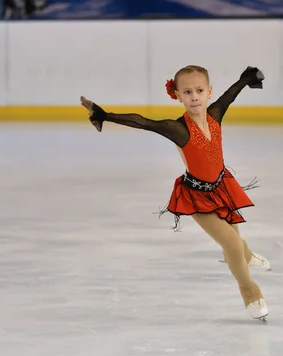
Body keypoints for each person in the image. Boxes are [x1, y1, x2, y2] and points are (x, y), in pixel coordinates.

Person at [79, 65, 271, 323]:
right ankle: (249, 291)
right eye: (188, 91)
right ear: (178, 95)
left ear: (208, 92)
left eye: (200, 90)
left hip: (222, 187)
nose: (194, 96)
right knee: (232, 244)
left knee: (235, 246)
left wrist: (244, 80)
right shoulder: (178, 129)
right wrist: (104, 115)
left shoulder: (215, 114)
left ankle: (246, 255)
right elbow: (144, 122)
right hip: (198, 198)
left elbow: (230, 95)